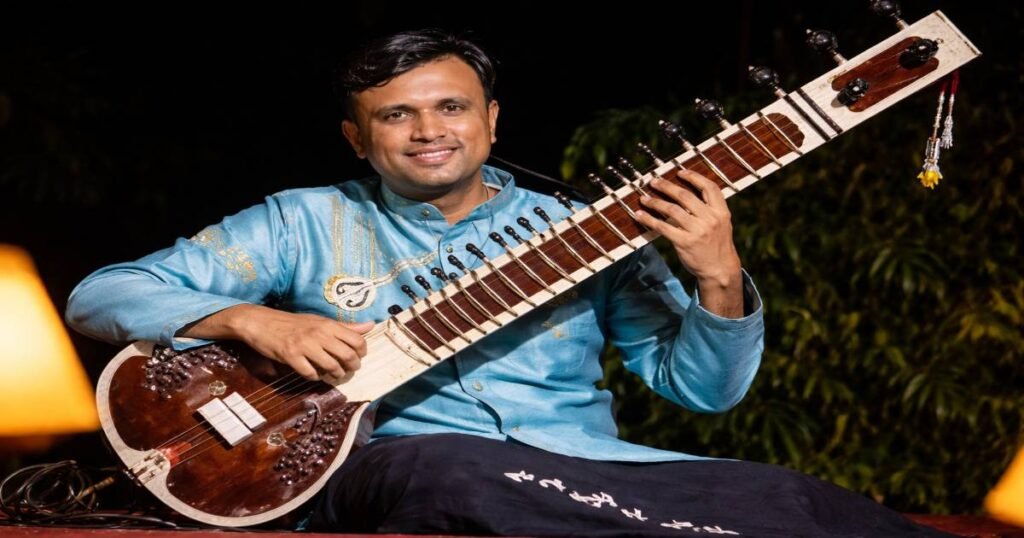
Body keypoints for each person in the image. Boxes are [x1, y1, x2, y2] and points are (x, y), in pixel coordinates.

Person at [66, 29, 950, 537]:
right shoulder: (303, 220)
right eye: (395, 115)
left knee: (797, 500)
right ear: (354, 137)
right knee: (459, 476)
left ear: (491, 120)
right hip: (403, 468)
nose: (427, 131)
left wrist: (718, 274)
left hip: (589, 469)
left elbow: (704, 394)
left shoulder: (583, 233)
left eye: (450, 106)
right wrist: (257, 322)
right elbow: (104, 292)